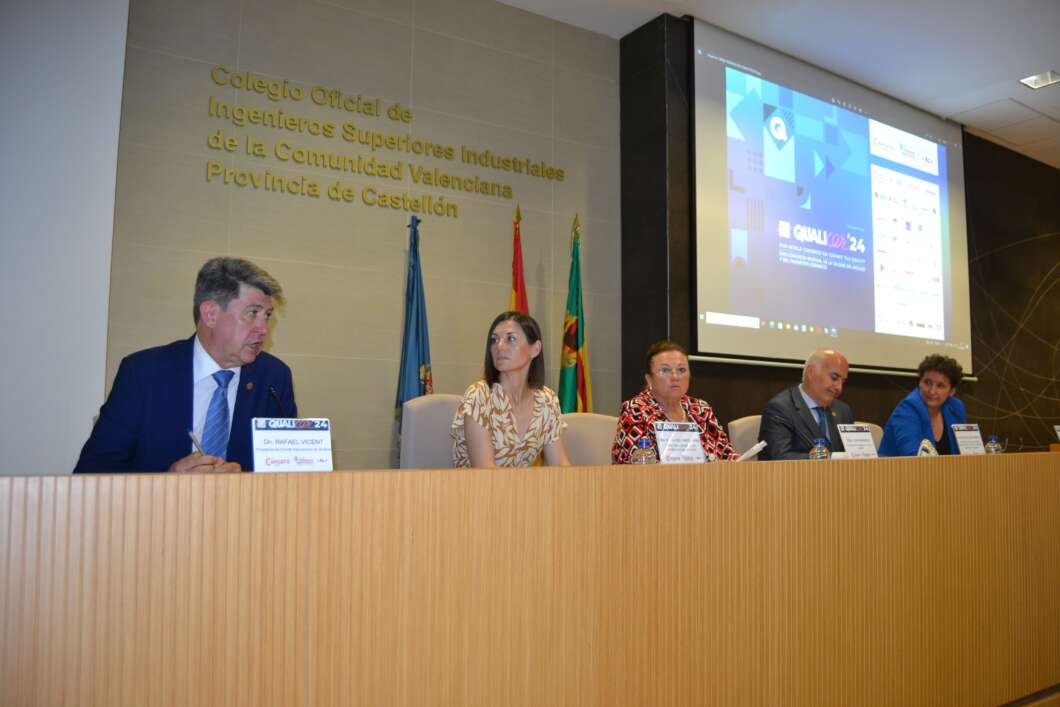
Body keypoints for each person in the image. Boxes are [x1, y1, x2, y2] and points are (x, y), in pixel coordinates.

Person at [74, 257, 297, 473]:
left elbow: (289, 474)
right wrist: (168, 483)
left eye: (267, 315)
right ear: (210, 314)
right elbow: (92, 473)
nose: (264, 329)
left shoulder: (273, 378)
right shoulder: (143, 373)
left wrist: (241, 484)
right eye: (253, 313)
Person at [451, 311, 570, 467]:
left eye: (510, 338)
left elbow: (560, 464)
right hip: (477, 483)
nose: (499, 346)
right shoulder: (479, 396)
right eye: (494, 340)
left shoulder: (547, 400)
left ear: (535, 349)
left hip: (522, 484)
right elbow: (485, 472)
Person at [612, 340, 737, 464]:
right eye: (665, 370)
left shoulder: (701, 409)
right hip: (658, 478)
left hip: (707, 477)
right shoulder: (635, 410)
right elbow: (637, 464)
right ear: (649, 379)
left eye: (681, 370)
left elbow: (727, 454)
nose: (675, 377)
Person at [758, 348, 854, 460]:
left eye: (843, 381)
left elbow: (853, 453)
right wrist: (831, 457)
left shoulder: (843, 410)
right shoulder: (780, 408)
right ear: (811, 372)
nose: (839, 388)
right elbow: (779, 458)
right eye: (834, 378)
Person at [878, 354, 966, 456]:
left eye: (940, 386)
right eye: (927, 383)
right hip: (900, 466)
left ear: (952, 391)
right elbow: (914, 457)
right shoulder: (907, 409)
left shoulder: (955, 408)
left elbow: (964, 452)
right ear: (919, 382)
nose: (932, 391)